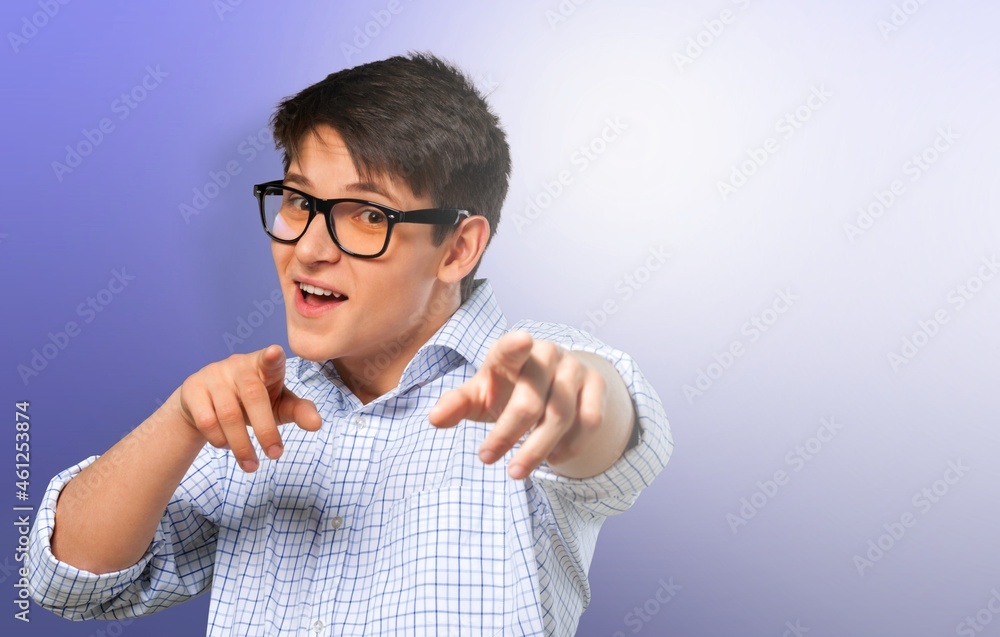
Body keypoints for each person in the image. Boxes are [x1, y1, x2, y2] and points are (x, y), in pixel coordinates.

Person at [27, 52, 673, 636]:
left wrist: (574, 400)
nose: (308, 247)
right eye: (299, 200)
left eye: (367, 215)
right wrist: (179, 421)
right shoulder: (256, 406)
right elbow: (69, 581)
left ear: (458, 247)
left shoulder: (528, 380)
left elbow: (605, 427)